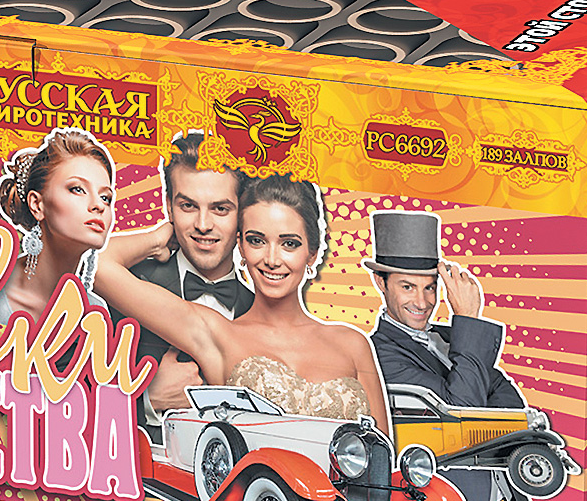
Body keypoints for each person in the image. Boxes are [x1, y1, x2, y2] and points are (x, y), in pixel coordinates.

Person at [97, 172, 390, 436]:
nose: (272, 259)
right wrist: (158, 238)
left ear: (312, 253)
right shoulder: (216, 334)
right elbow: (99, 268)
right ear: (241, 246)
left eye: (289, 243)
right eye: (257, 241)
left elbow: (384, 454)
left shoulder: (354, 344)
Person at [365, 209, 561, 501]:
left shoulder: (450, 339)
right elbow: (461, 420)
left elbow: (510, 405)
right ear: (380, 282)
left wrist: (465, 346)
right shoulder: (376, 354)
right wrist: (468, 319)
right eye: (407, 287)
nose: (422, 301)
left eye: (430, 287)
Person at [130, 132, 254, 441]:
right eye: (188, 206)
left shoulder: (261, 309)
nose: (203, 224)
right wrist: (146, 401)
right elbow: (67, 398)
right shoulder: (128, 285)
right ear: (169, 208)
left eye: (220, 209)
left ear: (242, 214)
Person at [0, 126, 116, 325]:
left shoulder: (96, 312)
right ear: (37, 204)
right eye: (77, 189)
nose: (99, 205)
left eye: (106, 197)